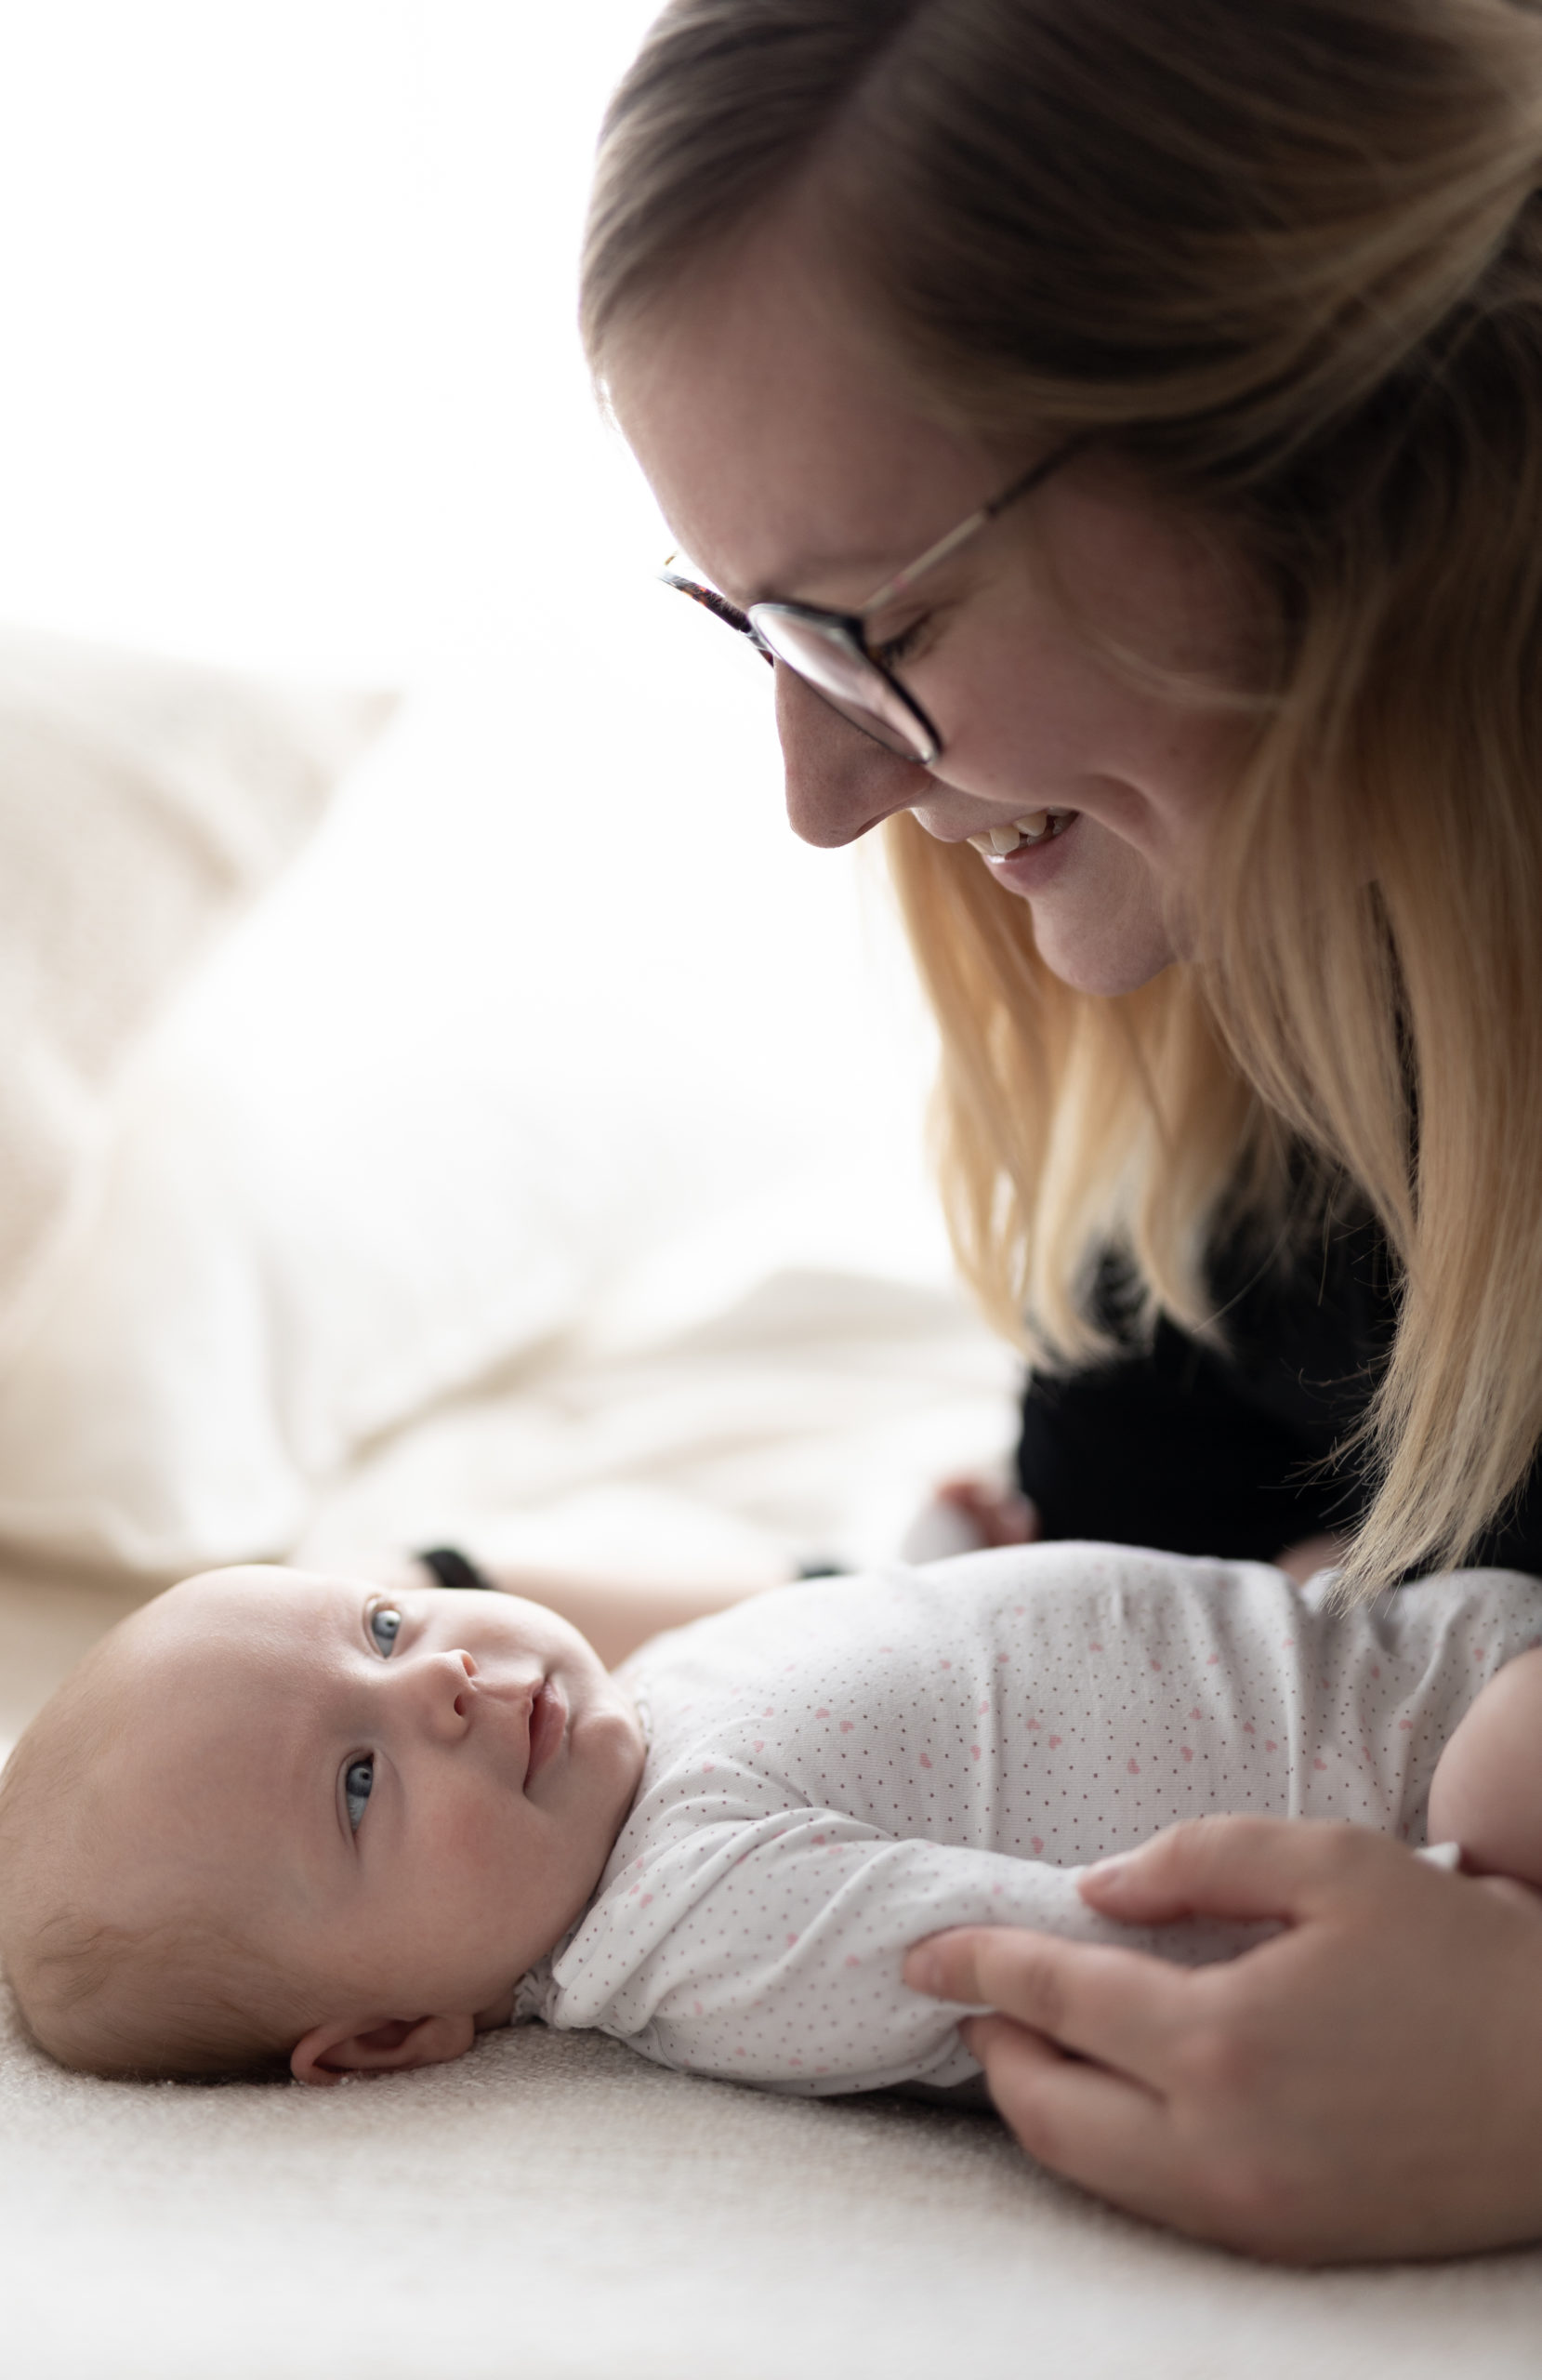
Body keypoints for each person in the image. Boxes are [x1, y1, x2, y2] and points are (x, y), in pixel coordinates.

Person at [578, 0, 1542, 2257]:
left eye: (870, 628)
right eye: (753, 639)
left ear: (1351, 463)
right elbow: (1096, 1632)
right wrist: (438, 1633)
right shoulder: (1259, 1087)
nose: (823, 797)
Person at [0, 1555, 1542, 2163]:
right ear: (389, 2036)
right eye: (361, 1782)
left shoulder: (648, 1709)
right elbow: (1064, 1958)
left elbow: (902, 1623)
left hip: (1405, 1635)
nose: (435, 1679)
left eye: (382, 1626)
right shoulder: (700, 1927)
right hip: (1444, 1785)